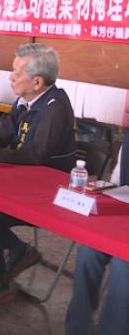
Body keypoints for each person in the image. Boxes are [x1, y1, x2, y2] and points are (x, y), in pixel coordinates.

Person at [0, 44, 77, 305]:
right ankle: (16, 252)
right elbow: (3, 135)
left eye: (17, 72)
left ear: (37, 82)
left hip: (47, 191)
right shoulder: (25, 101)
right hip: (20, 179)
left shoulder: (55, 107)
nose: (10, 78)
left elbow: (37, 155)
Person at [66, 133, 128, 335]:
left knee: (122, 263)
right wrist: (106, 187)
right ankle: (77, 327)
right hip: (122, 215)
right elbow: (118, 180)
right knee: (89, 250)